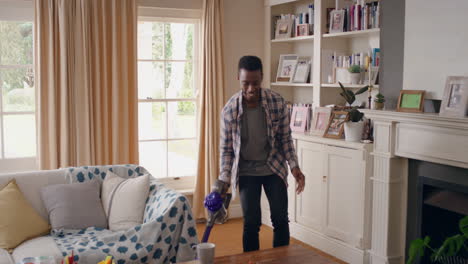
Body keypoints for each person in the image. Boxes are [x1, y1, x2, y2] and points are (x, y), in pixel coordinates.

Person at [206, 55, 305, 252]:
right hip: (246, 171)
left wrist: (294, 167)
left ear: (262, 78)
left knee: (280, 220)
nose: (251, 89)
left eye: (255, 83)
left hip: (273, 167)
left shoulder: (277, 102)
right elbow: (226, 151)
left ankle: (281, 259)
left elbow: (285, 139)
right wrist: (223, 180)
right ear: (238, 79)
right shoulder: (229, 111)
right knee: (251, 223)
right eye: (246, 83)